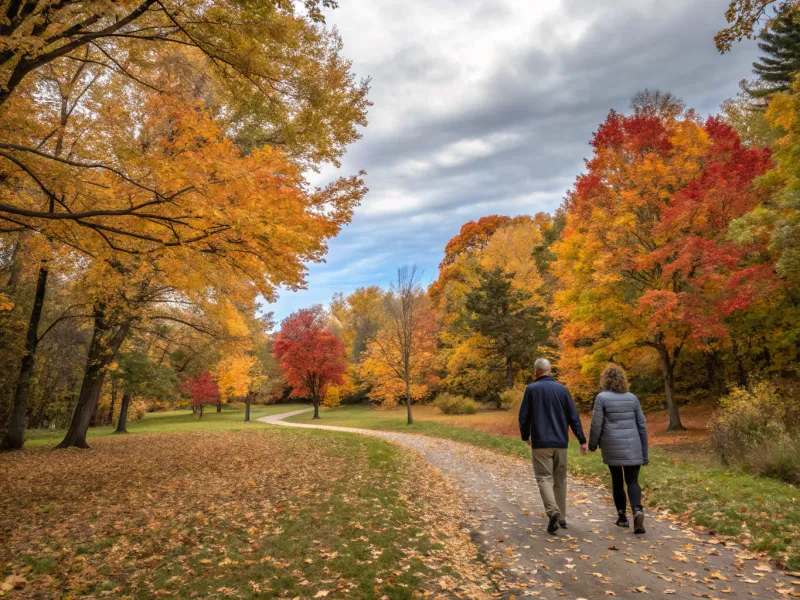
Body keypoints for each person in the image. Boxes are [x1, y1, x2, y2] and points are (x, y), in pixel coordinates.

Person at [519, 358, 588, 534]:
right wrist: (581, 439)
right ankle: (562, 517)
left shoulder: (531, 389)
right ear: (549, 371)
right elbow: (574, 417)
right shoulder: (562, 389)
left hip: (541, 443)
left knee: (544, 478)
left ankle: (553, 512)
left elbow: (524, 417)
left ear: (537, 372)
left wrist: (525, 436)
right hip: (561, 443)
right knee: (560, 481)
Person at [588, 364, 649, 534]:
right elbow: (642, 426)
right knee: (632, 480)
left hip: (611, 444)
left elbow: (596, 424)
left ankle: (622, 517)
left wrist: (592, 444)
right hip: (633, 445)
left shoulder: (602, 398)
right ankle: (637, 510)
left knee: (617, 481)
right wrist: (644, 454)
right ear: (623, 380)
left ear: (604, 380)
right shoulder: (633, 398)